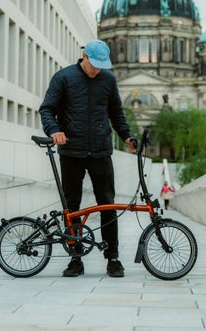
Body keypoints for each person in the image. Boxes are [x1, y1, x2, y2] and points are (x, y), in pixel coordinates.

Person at [39, 39, 135, 278]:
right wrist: (54, 130)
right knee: (72, 206)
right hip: (71, 152)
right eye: (94, 65)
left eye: (102, 66)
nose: (97, 70)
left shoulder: (108, 80)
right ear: (84, 56)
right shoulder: (63, 77)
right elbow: (47, 109)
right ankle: (75, 259)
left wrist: (127, 137)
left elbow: (116, 113)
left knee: (108, 205)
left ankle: (113, 257)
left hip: (101, 151)